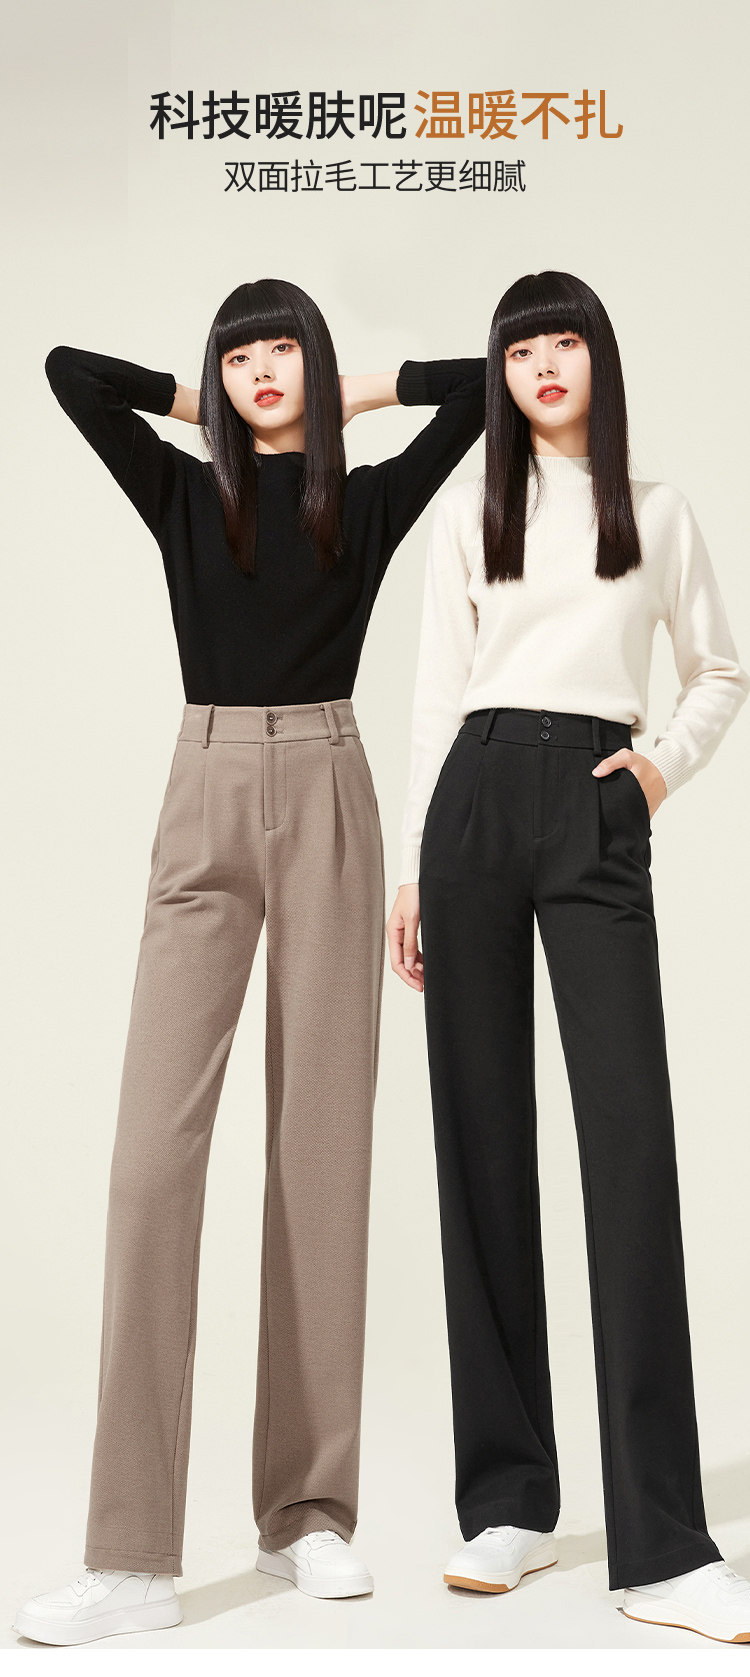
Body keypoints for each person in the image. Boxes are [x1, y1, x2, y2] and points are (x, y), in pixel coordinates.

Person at [13, 278, 486, 1647]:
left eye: (284, 348)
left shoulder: (365, 503)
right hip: (206, 784)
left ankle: (307, 1516)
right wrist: (206, 408)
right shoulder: (181, 491)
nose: (263, 368)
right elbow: (68, 370)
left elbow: (480, 390)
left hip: (331, 783)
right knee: (149, 1162)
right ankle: (129, 1558)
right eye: (241, 354)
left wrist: (345, 396)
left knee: (320, 1151)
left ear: (316, 364)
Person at [386, 269, 750, 1645]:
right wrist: (414, 866)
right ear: (500, 370)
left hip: (594, 803)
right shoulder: (467, 516)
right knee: (479, 1142)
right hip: (473, 802)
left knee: (629, 1149)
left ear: (599, 357)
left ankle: (662, 1542)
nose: (542, 363)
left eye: (564, 341)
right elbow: (434, 693)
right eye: (520, 347)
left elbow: (719, 670)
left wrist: (652, 773)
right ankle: (509, 1500)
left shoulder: (654, 511)